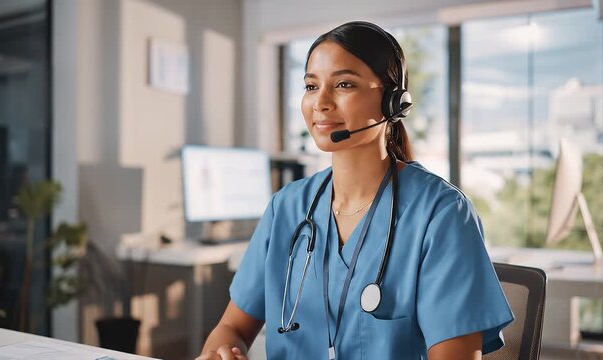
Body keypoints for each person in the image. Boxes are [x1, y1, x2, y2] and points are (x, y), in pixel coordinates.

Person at [197, 21, 513, 360]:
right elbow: (231, 329)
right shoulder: (286, 208)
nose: (321, 102)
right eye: (310, 85)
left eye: (344, 84)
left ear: (393, 101)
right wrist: (222, 353)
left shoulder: (441, 213)